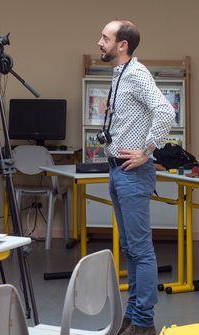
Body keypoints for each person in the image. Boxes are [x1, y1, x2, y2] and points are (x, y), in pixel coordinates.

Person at [97, 20, 175, 335]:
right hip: (117, 169)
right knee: (130, 248)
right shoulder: (121, 75)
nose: (99, 42)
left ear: (122, 44)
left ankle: (143, 323)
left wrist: (146, 151)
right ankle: (134, 316)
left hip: (133, 171)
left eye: (105, 38)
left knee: (140, 250)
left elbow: (166, 111)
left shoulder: (138, 74)